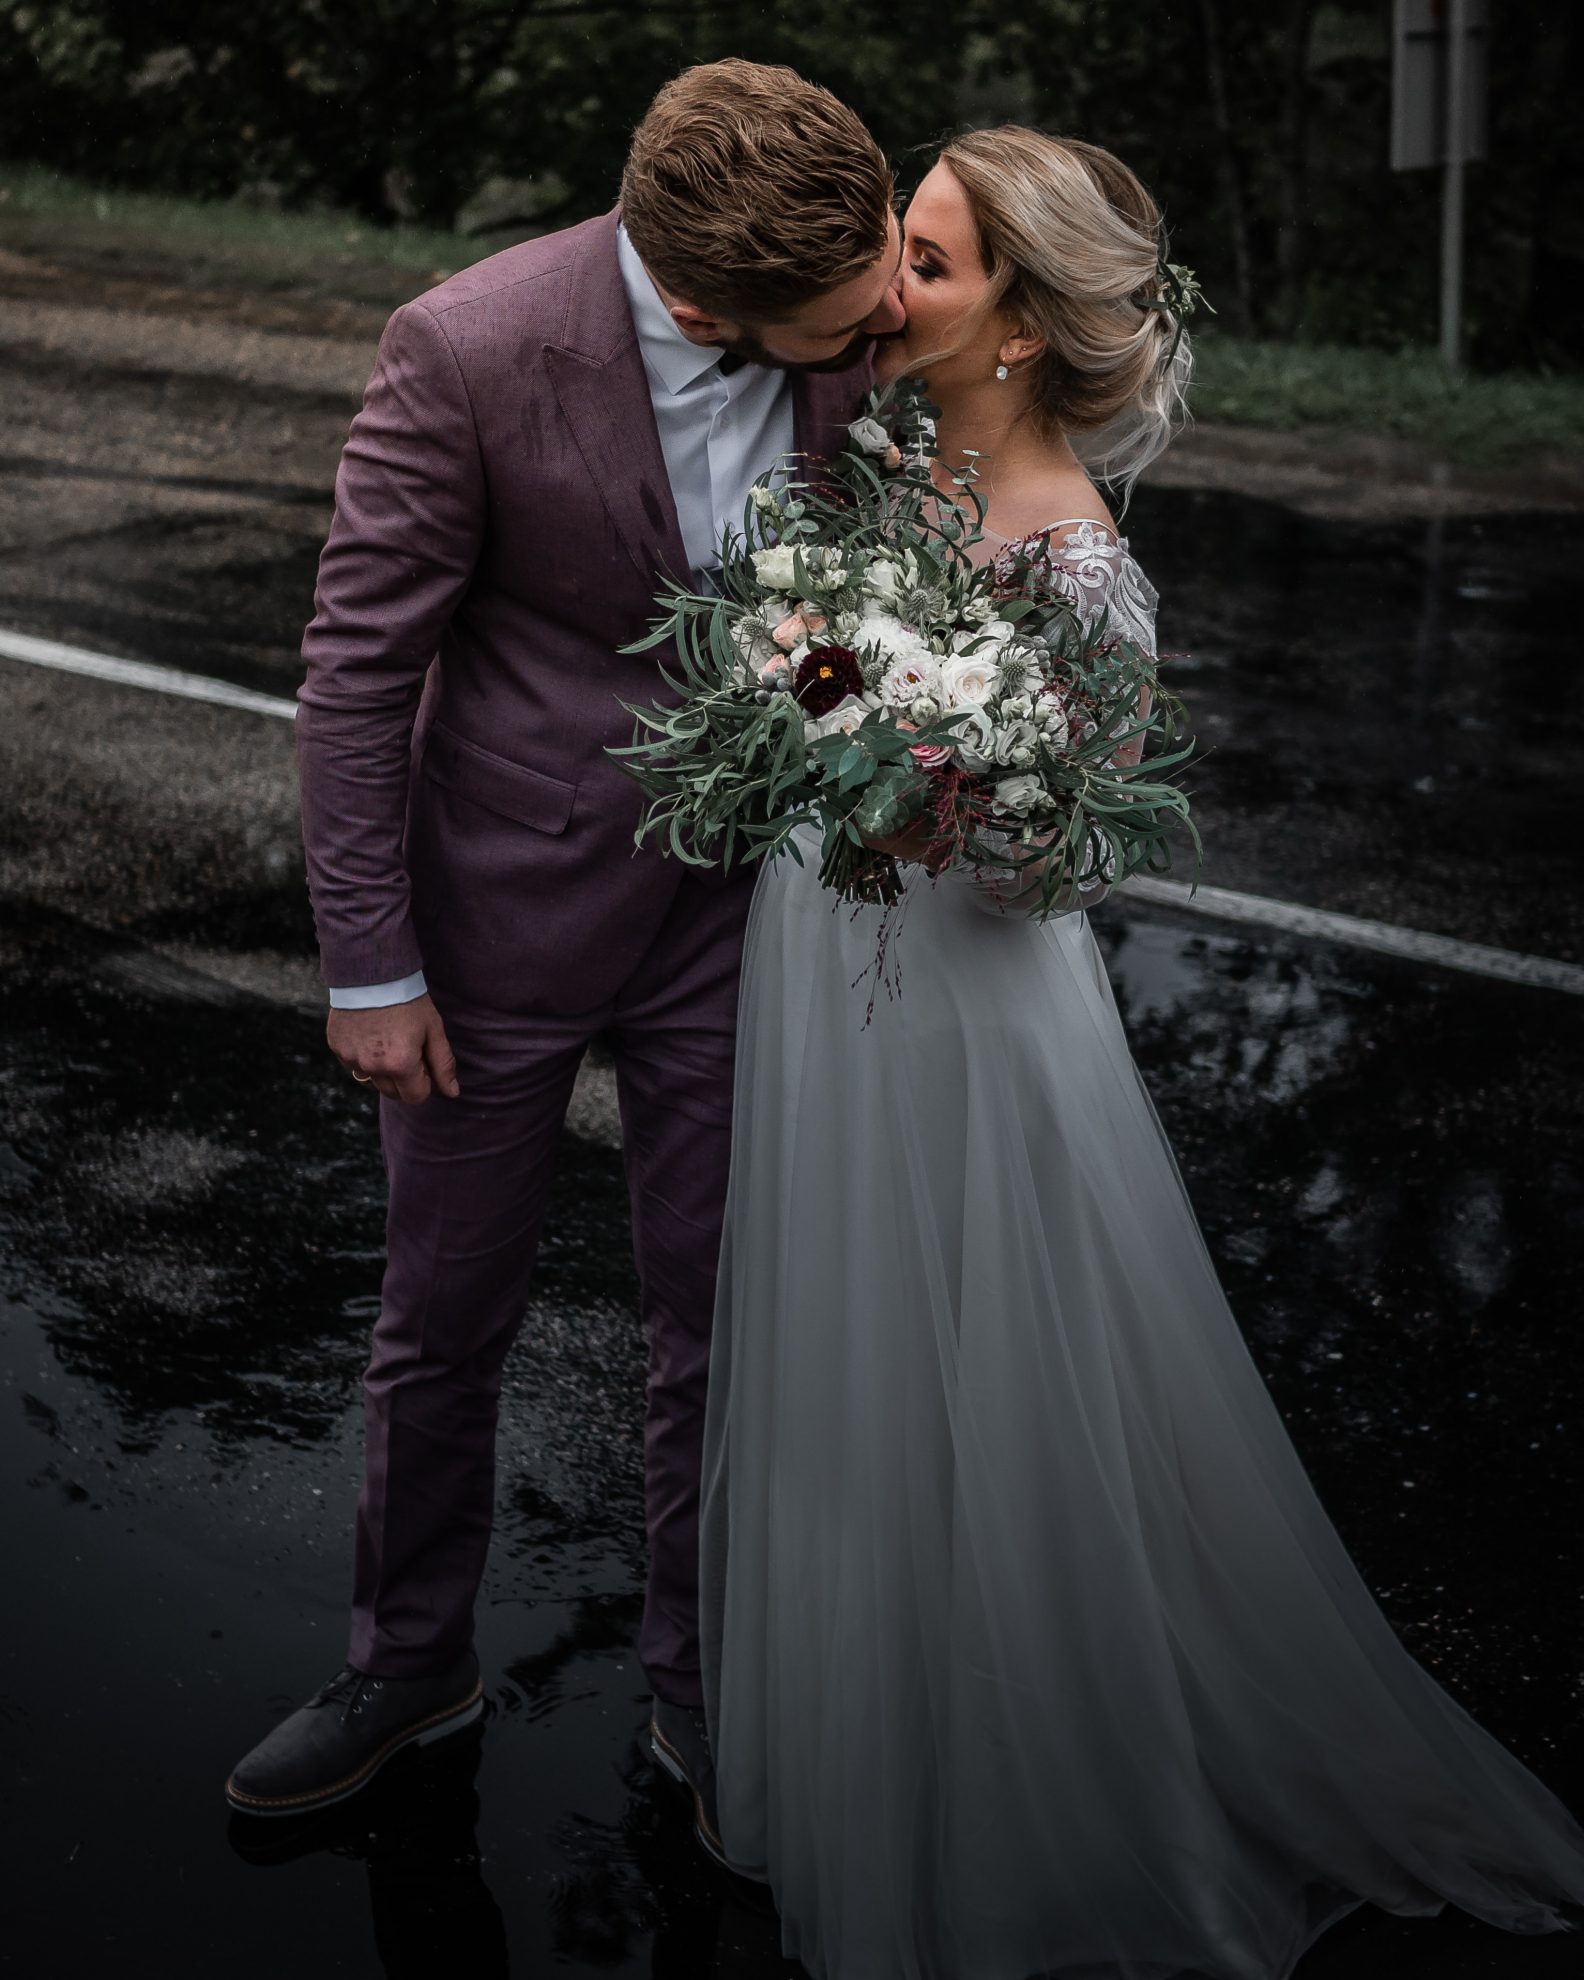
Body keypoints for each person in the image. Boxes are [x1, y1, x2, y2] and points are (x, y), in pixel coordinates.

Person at [699, 127, 1584, 1978]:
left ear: (1019, 327)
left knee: (990, 1389)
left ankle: (1028, 1789)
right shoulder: (890, 457)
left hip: (960, 1016)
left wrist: (922, 771)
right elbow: (818, 689)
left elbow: (1049, 864)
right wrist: (815, 677)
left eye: (926, 264)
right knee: (855, 1374)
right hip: (834, 972)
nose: (886, 285)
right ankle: (879, 1731)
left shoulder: (1085, 573)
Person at [224, 59, 902, 1826]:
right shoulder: (464, 346)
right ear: (701, 304)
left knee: (725, 1326)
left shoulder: (857, 321)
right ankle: (407, 1661)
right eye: (834, 336)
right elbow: (359, 675)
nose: (878, 335)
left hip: (739, 915)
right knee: (442, 1323)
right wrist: (368, 968)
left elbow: (860, 597)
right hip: (493, 920)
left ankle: (703, 1689)